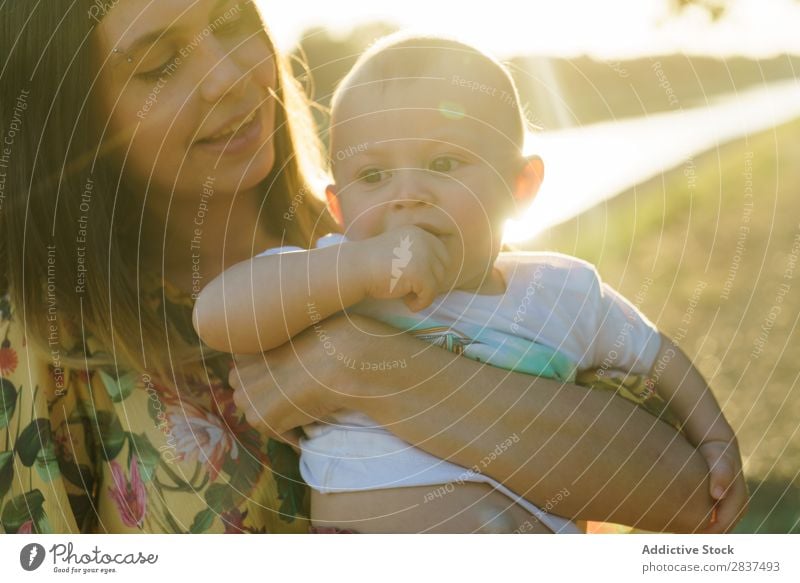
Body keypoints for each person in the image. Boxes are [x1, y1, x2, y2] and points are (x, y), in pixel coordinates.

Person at [0, 0, 744, 534]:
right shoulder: (45, 350)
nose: (229, 75)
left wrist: (360, 362)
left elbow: (691, 501)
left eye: (231, 20)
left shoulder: (420, 242)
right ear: (74, 121)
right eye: (160, 64)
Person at [193, 35, 745, 533]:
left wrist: (716, 436)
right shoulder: (331, 278)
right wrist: (355, 269)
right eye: (373, 176)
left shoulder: (560, 292)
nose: (408, 192)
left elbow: (656, 356)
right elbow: (217, 316)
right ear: (338, 207)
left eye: (444, 161)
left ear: (520, 186)